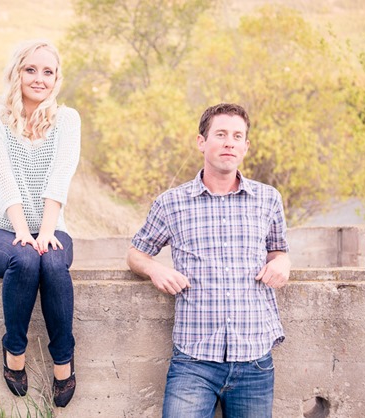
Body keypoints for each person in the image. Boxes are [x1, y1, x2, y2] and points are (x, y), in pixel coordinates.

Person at [127, 103, 291, 418]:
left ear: (246, 146)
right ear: (202, 142)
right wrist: (153, 268)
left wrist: (282, 263)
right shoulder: (171, 203)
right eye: (220, 134)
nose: (229, 142)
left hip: (254, 359)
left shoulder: (268, 199)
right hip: (194, 360)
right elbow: (135, 252)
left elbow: (278, 251)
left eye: (237, 136)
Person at [0, 39, 80, 408]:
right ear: (16, 73)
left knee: (50, 260)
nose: (39, 78)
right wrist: (21, 230)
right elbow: (1, 176)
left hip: (51, 224)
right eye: (30, 70)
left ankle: (63, 361)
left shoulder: (67, 119)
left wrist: (46, 231)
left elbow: (61, 175)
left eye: (47, 72)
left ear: (56, 78)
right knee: (25, 257)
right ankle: (14, 352)